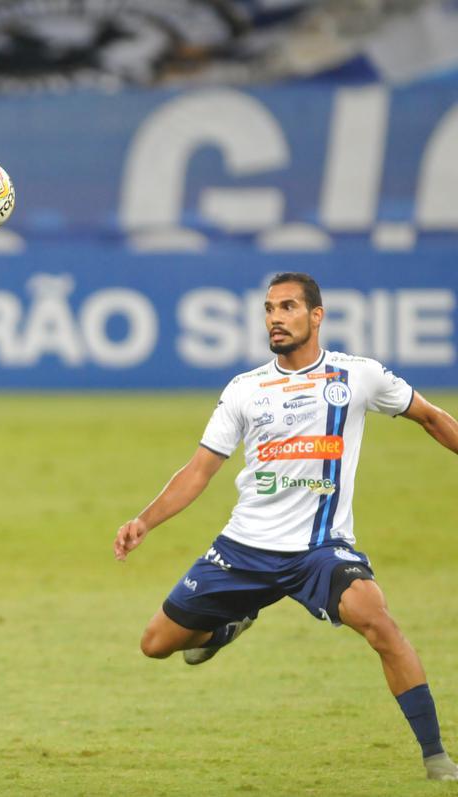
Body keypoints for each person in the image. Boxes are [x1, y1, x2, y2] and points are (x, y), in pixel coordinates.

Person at [114, 272, 458, 781]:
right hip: (244, 548)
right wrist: (144, 520)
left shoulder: (357, 375)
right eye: (270, 309)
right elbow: (199, 470)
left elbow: (430, 417)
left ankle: (437, 759)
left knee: (379, 622)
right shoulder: (245, 389)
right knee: (156, 644)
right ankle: (227, 626)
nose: (275, 318)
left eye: (288, 307)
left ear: (316, 316)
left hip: (320, 551)